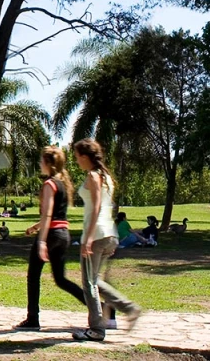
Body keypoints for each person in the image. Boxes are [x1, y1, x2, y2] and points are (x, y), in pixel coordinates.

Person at [72, 139, 141, 342]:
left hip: (97, 234)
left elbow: (96, 208)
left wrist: (88, 238)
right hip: (108, 234)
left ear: (85, 156)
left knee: (89, 283)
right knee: (95, 281)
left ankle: (96, 329)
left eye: (77, 157)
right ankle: (130, 308)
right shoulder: (106, 176)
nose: (76, 161)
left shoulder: (93, 176)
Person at [17, 146, 86, 330]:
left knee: (33, 276)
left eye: (41, 161)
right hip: (63, 234)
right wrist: (35, 227)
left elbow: (48, 215)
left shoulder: (49, 184)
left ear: (48, 163)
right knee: (61, 279)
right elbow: (56, 215)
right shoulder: (62, 184)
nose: (40, 164)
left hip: (50, 235)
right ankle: (98, 308)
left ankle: (33, 319)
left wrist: (41, 241)